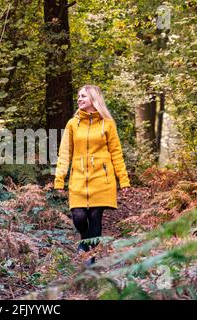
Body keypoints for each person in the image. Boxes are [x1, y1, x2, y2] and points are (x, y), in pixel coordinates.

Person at [54, 84, 131, 266]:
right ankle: (84, 241)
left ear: (93, 100)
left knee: (95, 216)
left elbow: (116, 153)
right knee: (79, 217)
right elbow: (65, 153)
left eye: (83, 96)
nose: (79, 99)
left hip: (102, 179)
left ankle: (91, 258)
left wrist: (124, 180)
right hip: (79, 177)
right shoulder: (72, 124)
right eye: (78, 96)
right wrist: (59, 179)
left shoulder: (108, 124)